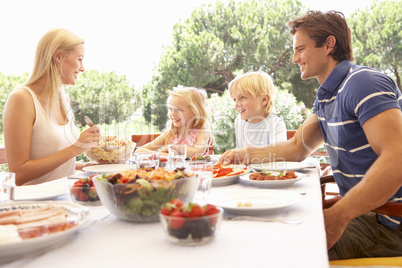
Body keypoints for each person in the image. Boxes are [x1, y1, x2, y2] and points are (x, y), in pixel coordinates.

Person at [219, 10, 402, 260]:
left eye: (301, 49)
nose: (295, 58)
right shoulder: (327, 94)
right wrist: (244, 154)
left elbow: (398, 157)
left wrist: (338, 215)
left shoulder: (362, 82)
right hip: (365, 214)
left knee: (270, 248)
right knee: (255, 225)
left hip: (388, 224)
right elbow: (297, 147)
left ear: (328, 44)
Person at [3, 28, 100, 186]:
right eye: (80, 59)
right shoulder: (21, 99)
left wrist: (84, 167)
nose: (83, 68)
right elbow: (18, 174)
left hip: (64, 198)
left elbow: (53, 165)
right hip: (33, 205)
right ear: (59, 57)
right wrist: (76, 148)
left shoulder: (63, 100)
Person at [135, 86, 213, 158]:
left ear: (195, 111)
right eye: (170, 109)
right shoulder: (170, 134)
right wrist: (159, 154)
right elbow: (138, 151)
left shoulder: (202, 133)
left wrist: (171, 149)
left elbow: (197, 152)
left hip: (196, 172)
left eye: (179, 109)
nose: (172, 113)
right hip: (172, 173)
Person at [229, 71, 287, 148]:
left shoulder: (276, 124)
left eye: (242, 97)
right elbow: (240, 150)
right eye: (234, 99)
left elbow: (278, 153)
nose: (236, 104)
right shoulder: (239, 121)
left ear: (264, 100)